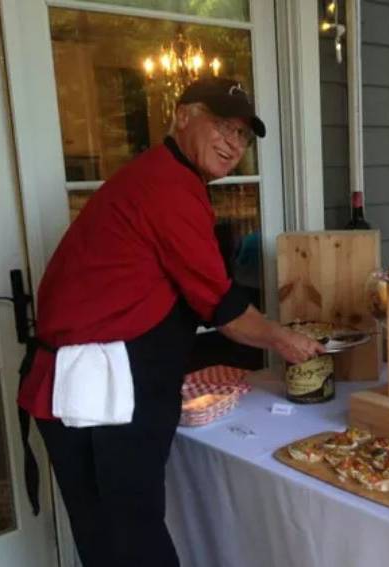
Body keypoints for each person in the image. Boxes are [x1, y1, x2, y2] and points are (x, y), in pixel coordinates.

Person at [16, 77, 324, 567]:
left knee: (104, 536)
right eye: (223, 126)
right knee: (132, 538)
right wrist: (285, 339)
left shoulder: (162, 177)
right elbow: (223, 310)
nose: (233, 144)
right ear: (183, 116)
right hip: (97, 391)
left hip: (81, 383)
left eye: (243, 136)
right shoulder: (169, 188)